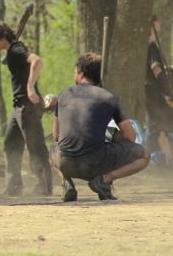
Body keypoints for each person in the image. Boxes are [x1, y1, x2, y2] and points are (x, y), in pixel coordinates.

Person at [53, 53, 150, 201]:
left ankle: (66, 183)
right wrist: (113, 137)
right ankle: (104, 180)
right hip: (95, 163)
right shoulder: (109, 97)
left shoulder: (63, 95)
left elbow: (56, 136)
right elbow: (131, 136)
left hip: (65, 162)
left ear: (80, 73)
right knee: (144, 155)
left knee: (52, 149)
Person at [0, 20, 52, 196]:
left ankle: (44, 186)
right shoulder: (12, 51)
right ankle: (14, 185)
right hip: (18, 107)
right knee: (10, 143)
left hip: (27, 106)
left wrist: (30, 88)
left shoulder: (15, 49)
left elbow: (36, 60)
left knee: (35, 146)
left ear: (1, 36)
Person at [145, 16, 173, 166]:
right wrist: (169, 90)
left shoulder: (140, 46)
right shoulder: (151, 46)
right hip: (155, 96)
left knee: (153, 130)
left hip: (148, 96)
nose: (159, 28)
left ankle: (159, 163)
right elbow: (156, 69)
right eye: (156, 25)